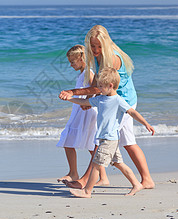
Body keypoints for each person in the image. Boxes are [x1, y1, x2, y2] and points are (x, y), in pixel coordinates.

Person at [59, 25, 155, 190]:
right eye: (93, 46)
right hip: (113, 100)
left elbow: (98, 87)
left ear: (106, 44)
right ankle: (147, 180)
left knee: (103, 140)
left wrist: (72, 92)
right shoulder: (97, 57)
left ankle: (84, 181)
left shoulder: (113, 58)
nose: (95, 49)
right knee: (127, 142)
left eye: (99, 46)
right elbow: (97, 87)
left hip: (121, 102)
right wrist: (89, 99)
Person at [63, 67, 155, 198]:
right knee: (118, 163)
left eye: (100, 86)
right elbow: (84, 101)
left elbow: (132, 112)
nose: (98, 89)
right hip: (104, 138)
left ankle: (87, 191)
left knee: (96, 164)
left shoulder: (118, 100)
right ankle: (136, 184)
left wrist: (146, 124)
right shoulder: (100, 99)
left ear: (110, 86)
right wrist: (69, 98)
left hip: (110, 140)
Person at [56, 45, 109, 185]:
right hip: (80, 110)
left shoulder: (89, 72)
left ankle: (75, 173)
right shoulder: (83, 73)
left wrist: (88, 101)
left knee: (70, 139)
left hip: (86, 112)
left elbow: (95, 89)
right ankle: (100, 177)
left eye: (73, 62)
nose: (70, 65)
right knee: (90, 145)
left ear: (81, 58)